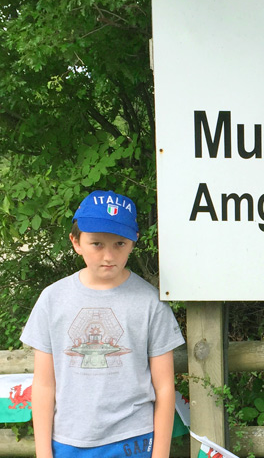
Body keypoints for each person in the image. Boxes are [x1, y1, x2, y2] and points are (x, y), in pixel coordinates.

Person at [20, 190, 185, 458]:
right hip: (67, 440)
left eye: (119, 244)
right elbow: (43, 384)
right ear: (76, 242)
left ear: (134, 242)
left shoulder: (150, 303)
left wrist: (160, 454)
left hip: (133, 441)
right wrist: (43, 453)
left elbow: (165, 387)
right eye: (97, 244)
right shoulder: (52, 299)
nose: (108, 256)